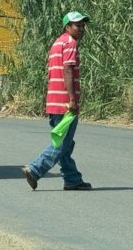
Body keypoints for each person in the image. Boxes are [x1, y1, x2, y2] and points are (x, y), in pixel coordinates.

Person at [22, 11, 92, 191]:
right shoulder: (70, 44)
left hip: (54, 102)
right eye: (78, 25)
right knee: (61, 144)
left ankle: (72, 179)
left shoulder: (57, 43)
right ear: (67, 27)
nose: (82, 28)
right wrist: (72, 99)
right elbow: (67, 71)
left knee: (65, 144)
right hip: (64, 104)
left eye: (83, 25)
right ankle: (35, 169)